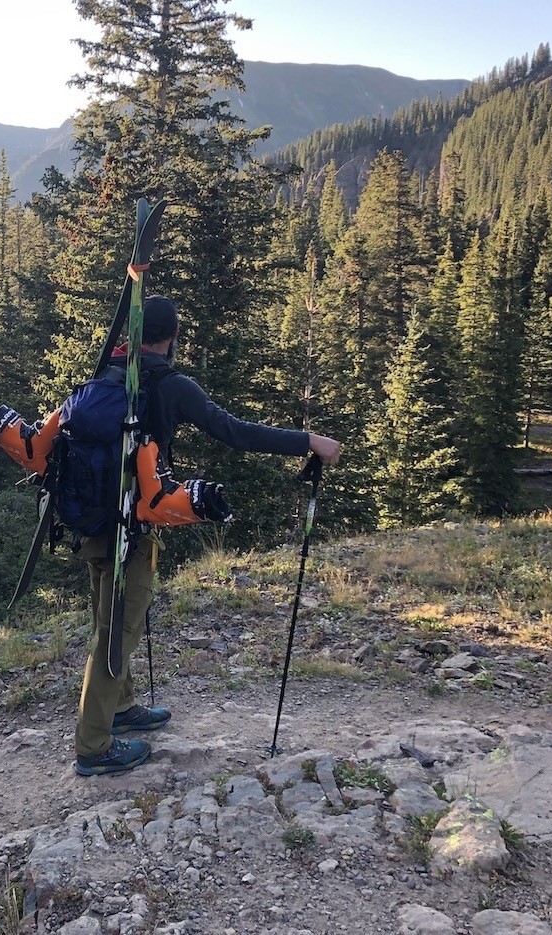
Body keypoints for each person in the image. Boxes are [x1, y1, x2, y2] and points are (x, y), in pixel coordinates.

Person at [73, 296, 342, 777]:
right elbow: (233, 431)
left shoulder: (106, 375)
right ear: (172, 336)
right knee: (118, 633)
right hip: (131, 528)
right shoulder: (170, 385)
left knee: (110, 621)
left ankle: (120, 708)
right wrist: (308, 441)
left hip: (92, 522)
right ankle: (94, 747)